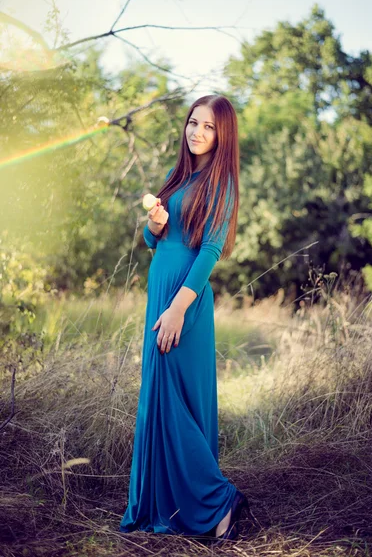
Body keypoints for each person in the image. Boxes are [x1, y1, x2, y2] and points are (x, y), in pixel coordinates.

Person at [120, 94, 254, 541]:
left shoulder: (223, 182)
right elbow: (155, 239)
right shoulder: (178, 177)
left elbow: (210, 250)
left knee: (175, 403)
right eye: (192, 123)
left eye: (208, 127)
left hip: (185, 299)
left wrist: (179, 305)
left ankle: (220, 501)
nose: (196, 132)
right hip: (161, 289)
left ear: (223, 135)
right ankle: (166, 505)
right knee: (158, 396)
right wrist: (153, 225)